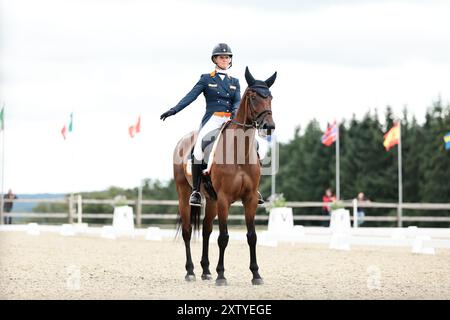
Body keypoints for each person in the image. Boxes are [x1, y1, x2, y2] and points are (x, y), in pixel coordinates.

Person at [160, 43, 265, 206]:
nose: (225, 59)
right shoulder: (206, 79)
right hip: (212, 119)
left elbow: (237, 100)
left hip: (230, 120)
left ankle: (253, 188)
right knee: (199, 148)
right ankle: (195, 191)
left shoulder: (235, 82)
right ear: (215, 59)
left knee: (255, 145)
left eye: (227, 57)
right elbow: (191, 96)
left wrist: (235, 112)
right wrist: (174, 110)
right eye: (222, 57)